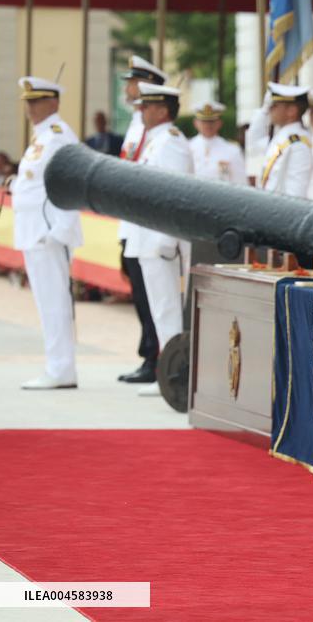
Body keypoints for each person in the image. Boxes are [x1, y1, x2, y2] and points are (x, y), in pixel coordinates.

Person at [122, 82, 194, 397]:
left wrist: (166, 239)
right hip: (147, 235)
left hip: (159, 239)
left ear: (163, 110)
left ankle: (175, 371)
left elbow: (174, 195)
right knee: (160, 309)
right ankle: (169, 370)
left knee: (167, 308)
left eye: (147, 106)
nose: (142, 111)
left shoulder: (170, 142)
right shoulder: (156, 141)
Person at [10, 76, 83, 390]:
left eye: (36, 100)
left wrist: (59, 231)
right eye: (27, 101)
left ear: (53, 103)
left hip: (47, 232)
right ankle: (57, 366)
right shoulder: (42, 136)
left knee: (54, 302)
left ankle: (61, 368)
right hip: (36, 230)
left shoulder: (57, 136)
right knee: (46, 301)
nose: (30, 107)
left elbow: (70, 184)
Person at [117, 55, 168, 385]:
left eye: (134, 82)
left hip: (147, 225)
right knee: (139, 289)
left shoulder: (155, 131)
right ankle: (149, 352)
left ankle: (155, 357)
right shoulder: (137, 124)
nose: (128, 88)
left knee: (152, 295)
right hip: (131, 221)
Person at [258, 82, 313, 197]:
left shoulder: (298, 144)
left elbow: (296, 195)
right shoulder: (282, 138)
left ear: (291, 111)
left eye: (275, 105)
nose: (270, 109)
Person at [189, 101, 246, 186]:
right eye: (204, 121)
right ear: (195, 123)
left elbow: (241, 182)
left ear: (219, 123)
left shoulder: (232, 150)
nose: (208, 125)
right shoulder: (187, 147)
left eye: (211, 121)